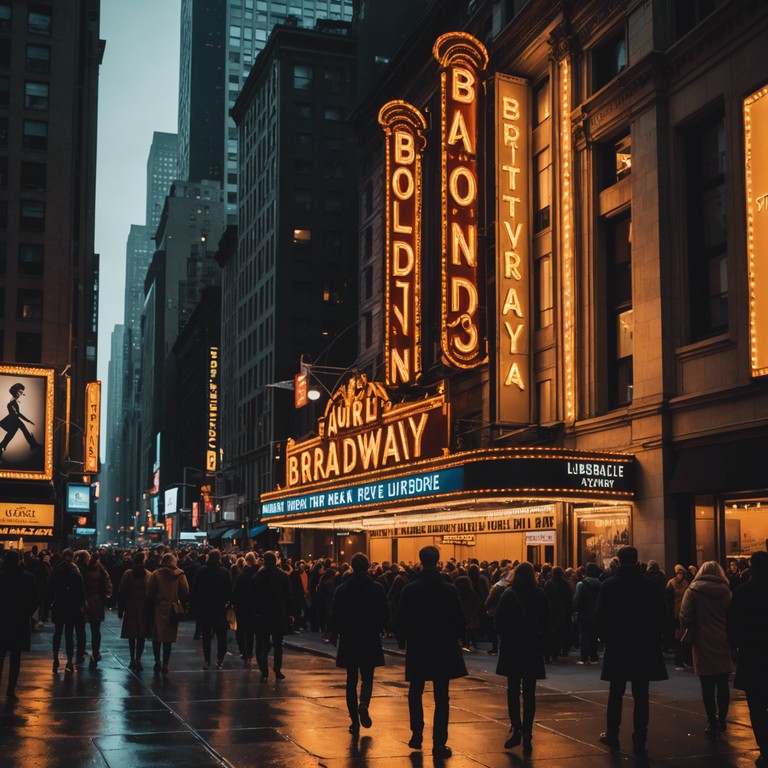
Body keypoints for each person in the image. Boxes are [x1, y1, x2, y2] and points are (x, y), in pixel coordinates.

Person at [394, 545, 468, 759]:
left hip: (418, 646)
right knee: (441, 697)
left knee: (415, 691)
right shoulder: (449, 589)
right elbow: (460, 620)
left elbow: (399, 619)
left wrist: (404, 638)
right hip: (443, 647)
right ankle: (439, 743)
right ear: (437, 561)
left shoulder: (410, 589)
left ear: (420, 560)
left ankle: (416, 733)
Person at [596, 545, 668, 756]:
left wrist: (606, 637)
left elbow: (601, 616)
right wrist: (655, 637)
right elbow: (661, 616)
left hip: (618, 645)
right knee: (641, 694)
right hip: (643, 645)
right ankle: (640, 736)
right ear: (637, 560)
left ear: (618, 560)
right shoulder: (651, 585)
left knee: (615, 692)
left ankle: (612, 733)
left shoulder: (609, 585)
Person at [494, 561, 553, 755]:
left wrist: (509, 634)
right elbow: (546, 622)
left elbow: (499, 622)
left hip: (512, 647)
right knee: (530, 692)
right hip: (531, 648)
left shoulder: (509, 594)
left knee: (513, 690)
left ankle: (516, 727)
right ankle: (528, 731)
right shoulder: (539, 594)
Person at [328, 552, 388, 734]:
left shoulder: (342, 589)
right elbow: (385, 612)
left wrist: (333, 633)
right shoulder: (377, 588)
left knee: (351, 680)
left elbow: (335, 614)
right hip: (370, 637)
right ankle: (364, 704)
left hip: (349, 638)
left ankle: (354, 721)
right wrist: (383, 627)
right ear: (368, 567)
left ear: (352, 567)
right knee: (368, 677)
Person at [678, 561, 734, 740]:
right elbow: (733, 616)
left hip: (702, 641)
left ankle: (712, 721)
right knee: (723, 683)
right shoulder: (727, 592)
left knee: (707, 685)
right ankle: (723, 718)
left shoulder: (693, 591)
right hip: (723, 640)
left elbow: (685, 616)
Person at [728, 550, 768, 766]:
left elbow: (734, 623)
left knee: (757, 704)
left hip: (753, 652)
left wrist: (733, 646)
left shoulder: (743, 591)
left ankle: (765, 747)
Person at [0, 549, 38, 699]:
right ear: (19, 560)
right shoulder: (27, 578)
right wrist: (26, 613)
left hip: (2, 620)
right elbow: (34, 599)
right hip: (19, 621)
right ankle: (11, 688)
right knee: (16, 657)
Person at [250, 551, 293, 682]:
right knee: (278, 644)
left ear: (264, 561)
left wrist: (254, 612)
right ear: (275, 561)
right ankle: (277, 669)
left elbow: (253, 598)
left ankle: (264, 671)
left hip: (262, 614)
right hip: (278, 613)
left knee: (262, 642)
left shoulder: (257, 576)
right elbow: (288, 596)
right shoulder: (283, 575)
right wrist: (290, 613)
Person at [146, 552, 190, 674]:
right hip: (173, 608)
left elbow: (149, 592)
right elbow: (185, 591)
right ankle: (166, 663)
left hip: (159, 607)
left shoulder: (156, 574)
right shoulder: (180, 574)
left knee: (157, 637)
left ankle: (157, 661)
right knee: (168, 639)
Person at [46, 548, 86, 673]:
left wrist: (47, 607)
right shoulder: (75, 572)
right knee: (69, 634)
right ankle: (69, 661)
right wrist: (80, 605)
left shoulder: (56, 571)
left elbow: (50, 590)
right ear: (73, 558)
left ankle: (55, 658)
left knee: (57, 633)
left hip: (59, 605)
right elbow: (81, 592)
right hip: (72, 607)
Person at [192, 549, 232, 669]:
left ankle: (207, 660)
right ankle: (220, 659)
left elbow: (195, 590)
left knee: (206, 635)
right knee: (221, 635)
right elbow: (229, 591)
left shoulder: (201, 571)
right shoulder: (224, 572)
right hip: (219, 607)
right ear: (219, 558)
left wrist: (197, 604)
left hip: (205, 607)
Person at [75, 550, 113, 666]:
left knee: (80, 630)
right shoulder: (99, 567)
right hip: (96, 601)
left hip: (82, 602)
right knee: (95, 630)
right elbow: (107, 582)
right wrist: (107, 594)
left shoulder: (78, 569)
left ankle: (80, 653)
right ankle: (95, 654)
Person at [117, 551, 152, 671]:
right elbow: (151, 593)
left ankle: (132, 658)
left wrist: (121, 609)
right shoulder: (149, 575)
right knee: (141, 635)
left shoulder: (128, 574)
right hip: (144, 608)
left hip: (130, 607)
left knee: (131, 635)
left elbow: (121, 591)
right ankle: (138, 659)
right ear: (143, 560)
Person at [0, 382, 40, 459]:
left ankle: (33, 444)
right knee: (20, 428)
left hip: (14, 421)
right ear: (15, 391)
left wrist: (28, 420)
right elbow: (17, 414)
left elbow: (17, 414)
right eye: (19, 392)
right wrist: (27, 420)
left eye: (21, 392)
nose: (20, 394)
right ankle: (33, 444)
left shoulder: (13, 402)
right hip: (11, 420)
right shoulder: (11, 403)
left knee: (8, 438)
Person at [574, 562, 601, 665]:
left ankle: (584, 658)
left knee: (584, 635)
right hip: (595, 614)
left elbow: (577, 600)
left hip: (584, 613)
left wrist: (574, 609)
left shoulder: (581, 584)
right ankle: (594, 657)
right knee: (594, 636)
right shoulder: (600, 584)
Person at [666, 564, 691, 670]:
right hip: (676, 614)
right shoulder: (671, 583)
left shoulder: (687, 583)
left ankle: (685, 660)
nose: (680, 575)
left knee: (684, 637)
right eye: (678, 573)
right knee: (678, 638)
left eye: (682, 573)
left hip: (684, 613)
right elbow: (668, 600)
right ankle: (679, 661)